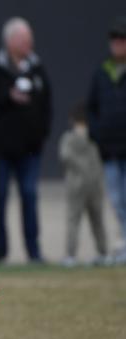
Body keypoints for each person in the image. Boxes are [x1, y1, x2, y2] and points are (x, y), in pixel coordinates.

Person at [0, 17, 51, 263]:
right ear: (10, 42)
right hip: (2, 150)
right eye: (23, 39)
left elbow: (47, 106)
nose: (29, 43)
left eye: (30, 38)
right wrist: (8, 96)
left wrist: (40, 136)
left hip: (30, 150)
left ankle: (34, 252)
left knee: (29, 196)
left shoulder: (37, 68)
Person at [87, 16, 126, 263]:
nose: (117, 45)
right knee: (116, 198)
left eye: (121, 40)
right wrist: (97, 133)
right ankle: (122, 243)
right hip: (110, 149)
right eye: (114, 40)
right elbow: (92, 107)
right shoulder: (102, 72)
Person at [58, 103, 109, 267]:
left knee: (74, 220)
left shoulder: (70, 137)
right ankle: (103, 253)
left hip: (76, 185)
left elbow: (64, 156)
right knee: (97, 220)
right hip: (95, 184)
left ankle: (71, 256)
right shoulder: (95, 137)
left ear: (72, 119)